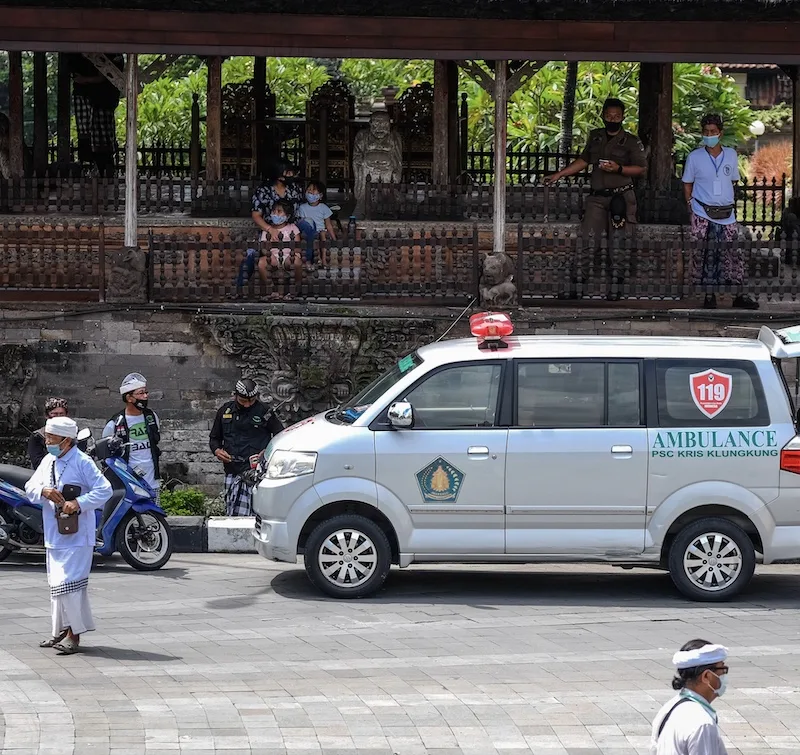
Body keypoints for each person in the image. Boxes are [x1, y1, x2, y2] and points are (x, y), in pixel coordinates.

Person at [25, 416, 112, 655]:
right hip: (55, 534)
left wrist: (79, 502)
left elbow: (104, 489)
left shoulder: (83, 462)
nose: (47, 442)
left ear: (66, 440)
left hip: (78, 535)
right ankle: (60, 632)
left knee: (70, 585)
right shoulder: (48, 461)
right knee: (56, 585)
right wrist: (44, 490)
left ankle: (75, 635)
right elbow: (29, 487)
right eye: (47, 437)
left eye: (51, 438)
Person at [545, 98, 647, 298]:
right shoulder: (596, 137)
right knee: (587, 238)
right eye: (609, 116)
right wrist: (560, 174)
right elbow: (584, 161)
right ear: (603, 116)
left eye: (617, 116)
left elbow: (641, 169)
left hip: (622, 197)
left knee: (619, 241)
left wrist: (619, 168)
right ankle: (578, 285)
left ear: (623, 117)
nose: (612, 119)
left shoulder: (631, 141)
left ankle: (617, 286)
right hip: (597, 198)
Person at [683, 114, 758, 310]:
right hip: (702, 211)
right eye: (706, 132)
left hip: (727, 213)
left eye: (713, 132)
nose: (710, 135)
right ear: (702, 134)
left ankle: (738, 295)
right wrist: (691, 205)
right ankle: (709, 295)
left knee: (734, 255)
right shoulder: (694, 157)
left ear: (720, 133)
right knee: (706, 255)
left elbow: (732, 180)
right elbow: (687, 183)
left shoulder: (731, 155)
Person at [209, 378, 283, 517]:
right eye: (243, 401)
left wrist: (267, 452)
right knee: (234, 517)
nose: (248, 404)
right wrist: (217, 451)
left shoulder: (265, 412)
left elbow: (281, 436)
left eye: (252, 400)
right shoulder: (224, 411)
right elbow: (214, 439)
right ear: (235, 395)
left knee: (259, 515)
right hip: (233, 471)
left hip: (258, 473)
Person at [650, 639, 730, 755]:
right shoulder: (703, 724)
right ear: (707, 676)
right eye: (722, 670)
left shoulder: (669, 707)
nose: (724, 676)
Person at [67, 53, 124, 177]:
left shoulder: (113, 54)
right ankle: (93, 166)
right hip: (88, 95)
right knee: (89, 133)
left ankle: (103, 168)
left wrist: (85, 80)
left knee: (101, 135)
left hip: (103, 99)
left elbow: (106, 76)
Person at [102, 373, 161, 490]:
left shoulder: (152, 417)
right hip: (128, 481)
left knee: (153, 508)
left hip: (152, 479)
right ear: (129, 398)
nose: (145, 396)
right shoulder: (115, 423)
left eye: (146, 392)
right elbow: (106, 453)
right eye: (141, 393)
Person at [257, 198, 302, 288]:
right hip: (273, 257)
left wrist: (293, 253)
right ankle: (271, 289)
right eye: (273, 212)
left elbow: (298, 247)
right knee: (261, 263)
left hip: (288, 258)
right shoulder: (268, 230)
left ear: (287, 216)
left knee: (297, 262)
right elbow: (263, 248)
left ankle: (296, 287)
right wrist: (269, 253)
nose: (275, 214)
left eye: (279, 211)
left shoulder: (292, 228)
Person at [296, 180, 337, 269]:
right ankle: (317, 259)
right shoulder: (302, 207)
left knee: (323, 235)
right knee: (314, 237)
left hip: (321, 230)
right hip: (309, 231)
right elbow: (302, 222)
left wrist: (334, 238)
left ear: (320, 195)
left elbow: (328, 225)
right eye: (309, 189)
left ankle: (324, 260)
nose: (310, 191)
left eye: (314, 190)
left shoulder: (324, 208)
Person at [28, 397, 69, 469]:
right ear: (47, 416)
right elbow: (37, 463)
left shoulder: (73, 434)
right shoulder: (37, 436)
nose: (58, 418)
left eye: (61, 414)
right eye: (55, 414)